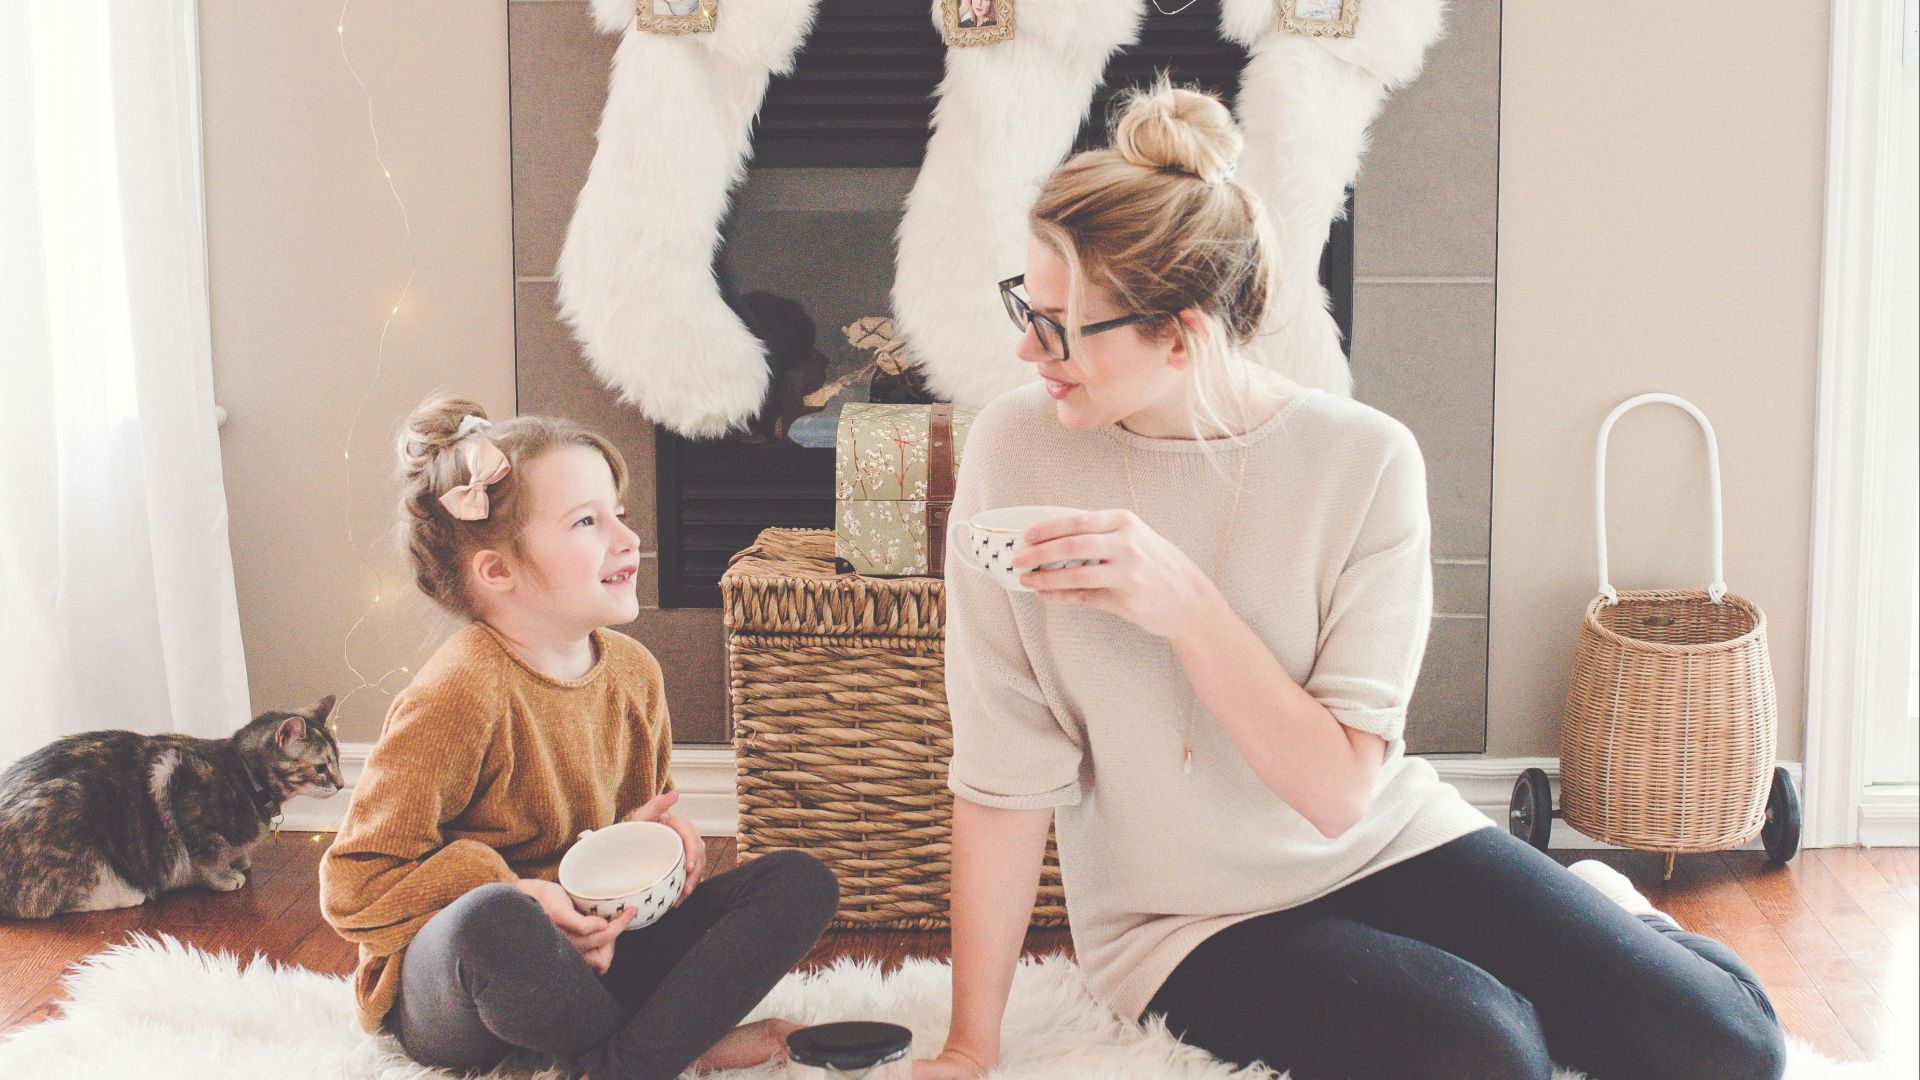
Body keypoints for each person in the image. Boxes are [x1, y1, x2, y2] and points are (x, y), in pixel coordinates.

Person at [914, 80, 1786, 1080]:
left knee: (1727, 1049)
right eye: (1026, 305)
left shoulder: (1364, 463)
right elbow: (1001, 775)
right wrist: (967, 1048)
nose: (1028, 349)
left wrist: (1187, 606)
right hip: (1183, 919)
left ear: (1182, 333)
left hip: (1379, 840)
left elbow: (1335, 796)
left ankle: (1605, 912)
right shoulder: (1012, 455)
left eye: (1061, 326)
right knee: (1490, 1053)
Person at [320, 397, 838, 1080]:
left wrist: (661, 843)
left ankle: (611, 1063)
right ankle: (656, 1055)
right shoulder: (456, 694)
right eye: (588, 521)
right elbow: (355, 887)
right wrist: (523, 893)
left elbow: (626, 826)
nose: (628, 539)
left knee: (802, 883)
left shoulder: (633, 673)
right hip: (468, 990)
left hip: (596, 960)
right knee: (497, 919)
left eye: (619, 513)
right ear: (497, 572)